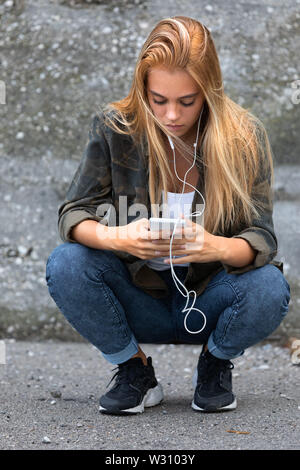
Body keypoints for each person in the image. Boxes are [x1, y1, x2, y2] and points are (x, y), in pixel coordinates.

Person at [46, 16, 290, 415]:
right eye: (158, 100)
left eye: (187, 101)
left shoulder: (244, 136)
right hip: (139, 296)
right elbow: (73, 214)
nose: (172, 115)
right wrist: (118, 238)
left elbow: (261, 238)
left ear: (208, 90)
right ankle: (135, 371)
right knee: (67, 264)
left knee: (269, 286)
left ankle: (214, 364)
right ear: (142, 90)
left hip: (210, 301)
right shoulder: (116, 129)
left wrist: (214, 246)